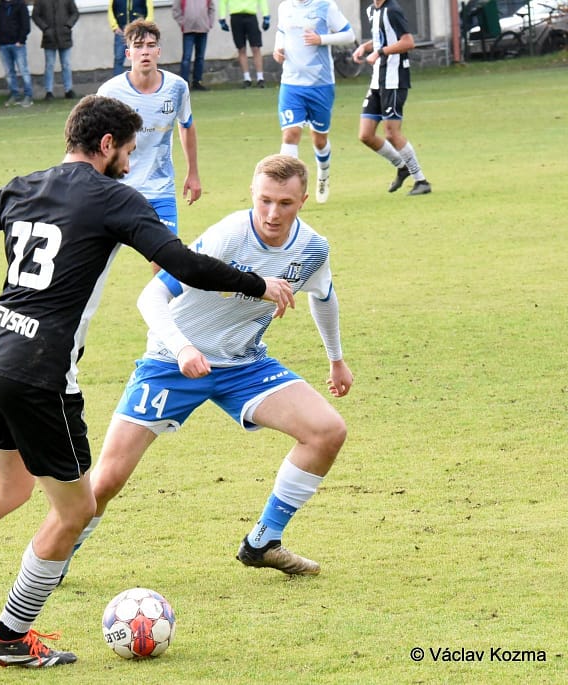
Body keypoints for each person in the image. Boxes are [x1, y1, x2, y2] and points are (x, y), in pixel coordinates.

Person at [0, 95, 295, 668]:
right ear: (107, 145)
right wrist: (257, 283)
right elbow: (183, 265)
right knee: (76, 510)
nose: (131, 160)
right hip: (40, 372)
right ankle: (10, 637)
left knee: (9, 487)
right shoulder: (114, 198)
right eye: (129, 150)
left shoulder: (22, 186)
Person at [62, 154, 353, 583]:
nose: (273, 214)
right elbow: (150, 297)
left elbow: (323, 295)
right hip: (171, 363)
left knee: (327, 431)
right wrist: (182, 349)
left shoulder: (312, 248)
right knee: (107, 481)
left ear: (303, 201)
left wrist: (336, 359)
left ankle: (263, 541)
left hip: (243, 364)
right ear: (252, 193)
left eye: (285, 203)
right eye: (265, 200)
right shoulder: (229, 236)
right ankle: (56, 559)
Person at [97, 20, 200, 271]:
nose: (145, 51)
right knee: (94, 263)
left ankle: (164, 300)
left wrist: (193, 173)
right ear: (128, 53)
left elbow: (186, 125)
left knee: (166, 263)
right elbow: (95, 140)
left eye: (151, 45)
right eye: (138, 46)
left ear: (158, 52)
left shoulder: (177, 87)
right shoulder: (110, 92)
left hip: (160, 188)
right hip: (117, 190)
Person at [274, 0, 353, 204]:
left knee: (319, 140)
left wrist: (321, 39)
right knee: (290, 134)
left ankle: (323, 174)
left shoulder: (325, 6)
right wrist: (278, 49)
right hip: (291, 84)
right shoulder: (285, 7)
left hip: (320, 84)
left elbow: (349, 35)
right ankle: (285, 192)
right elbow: (281, 32)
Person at [353, 0, 432, 196]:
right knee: (365, 135)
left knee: (392, 132)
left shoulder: (392, 10)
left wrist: (380, 52)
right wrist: (365, 47)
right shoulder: (372, 10)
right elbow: (382, 38)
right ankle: (402, 166)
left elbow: (408, 42)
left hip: (394, 80)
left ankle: (421, 181)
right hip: (377, 81)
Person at [32, 0, 79, 100]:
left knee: (66, 64)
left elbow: (75, 13)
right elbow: (35, 16)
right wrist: (45, 28)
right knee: (49, 65)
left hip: (64, 36)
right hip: (49, 38)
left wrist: (68, 26)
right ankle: (49, 91)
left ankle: (68, 90)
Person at [218, 0, 270, 88]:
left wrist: (266, 15)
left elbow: (262, 1)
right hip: (235, 16)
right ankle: (247, 79)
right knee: (241, 48)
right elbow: (223, 1)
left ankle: (260, 78)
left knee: (256, 47)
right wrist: (222, 17)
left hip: (251, 16)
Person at [0, 0, 33, 108]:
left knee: (23, 70)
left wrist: (21, 40)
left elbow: (26, 24)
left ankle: (28, 95)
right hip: (3, 44)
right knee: (9, 72)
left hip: (17, 44)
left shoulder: (20, 4)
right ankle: (15, 94)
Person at [172, 0, 214, 91]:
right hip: (188, 30)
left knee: (200, 57)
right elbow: (176, 9)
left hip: (203, 29)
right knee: (186, 58)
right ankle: (184, 83)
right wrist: (182, 22)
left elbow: (211, 8)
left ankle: (197, 82)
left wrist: (209, 23)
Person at [108, 0, 152, 76]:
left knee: (141, 56)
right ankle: (118, 81)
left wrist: (146, 27)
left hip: (139, 30)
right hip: (121, 31)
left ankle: (142, 79)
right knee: (119, 58)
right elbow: (110, 11)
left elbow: (150, 11)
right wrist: (114, 27)